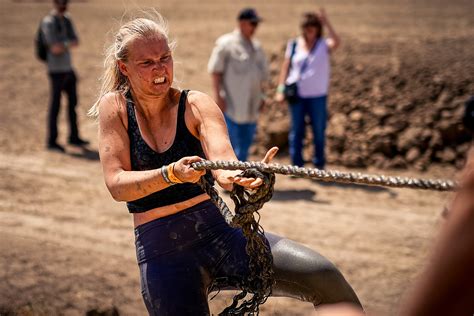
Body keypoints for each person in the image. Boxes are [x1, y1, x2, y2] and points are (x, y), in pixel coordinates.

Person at [90, 12, 362, 315]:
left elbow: (224, 164)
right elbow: (117, 185)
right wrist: (171, 174)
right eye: (147, 62)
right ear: (123, 67)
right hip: (161, 253)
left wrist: (241, 176)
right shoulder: (115, 108)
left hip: (220, 236)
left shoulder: (196, 104)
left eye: (165, 57)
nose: (160, 68)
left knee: (325, 277)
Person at [275, 9, 340, 169]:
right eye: (307, 26)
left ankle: (319, 165)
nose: (309, 29)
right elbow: (286, 66)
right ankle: (297, 166)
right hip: (297, 95)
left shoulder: (323, 45)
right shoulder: (294, 44)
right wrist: (281, 89)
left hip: (318, 95)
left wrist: (326, 22)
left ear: (318, 28)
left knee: (318, 130)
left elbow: (337, 41)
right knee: (296, 131)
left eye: (313, 26)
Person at [208, 8, 268, 162]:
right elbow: (215, 72)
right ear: (242, 23)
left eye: (256, 24)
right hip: (232, 105)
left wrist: (262, 97)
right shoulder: (226, 44)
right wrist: (218, 97)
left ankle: (240, 178)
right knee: (230, 146)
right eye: (252, 23)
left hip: (251, 106)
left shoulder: (256, 47)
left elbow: (261, 76)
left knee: (245, 145)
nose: (255, 27)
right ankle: (230, 179)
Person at [41, 0, 88, 152]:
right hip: (55, 70)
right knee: (55, 106)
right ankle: (51, 141)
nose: (63, 4)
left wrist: (63, 44)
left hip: (68, 68)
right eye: (60, 2)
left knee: (73, 104)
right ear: (54, 3)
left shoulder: (67, 20)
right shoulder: (49, 22)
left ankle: (73, 136)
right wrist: (67, 43)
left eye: (65, 2)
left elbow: (76, 41)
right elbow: (54, 48)